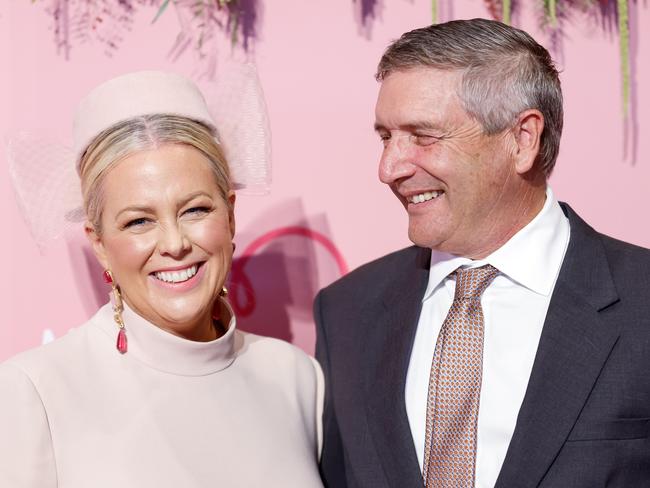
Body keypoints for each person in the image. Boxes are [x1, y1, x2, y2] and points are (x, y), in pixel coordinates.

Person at [315, 18, 650, 488]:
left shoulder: (642, 305)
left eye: (423, 135)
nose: (388, 168)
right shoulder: (346, 312)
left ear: (522, 139)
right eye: (386, 136)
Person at [0, 71, 324, 488]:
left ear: (229, 214)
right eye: (139, 221)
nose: (174, 243)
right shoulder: (35, 392)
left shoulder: (297, 378)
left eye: (195, 210)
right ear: (99, 243)